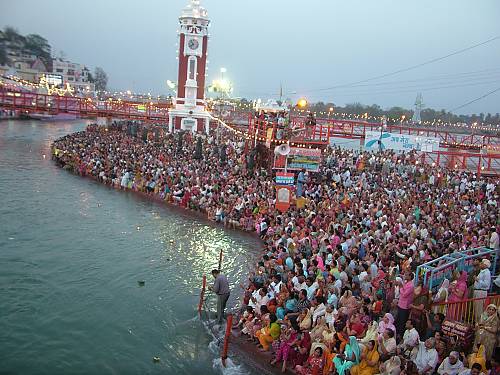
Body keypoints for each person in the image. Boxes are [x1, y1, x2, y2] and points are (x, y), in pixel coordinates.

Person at [396, 272, 415, 341]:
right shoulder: (406, 283)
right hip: (400, 305)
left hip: (405, 307)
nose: (405, 276)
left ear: (410, 277)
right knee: (398, 321)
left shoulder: (411, 286)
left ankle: (400, 336)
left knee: (402, 322)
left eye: (406, 274)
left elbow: (404, 294)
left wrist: (401, 287)